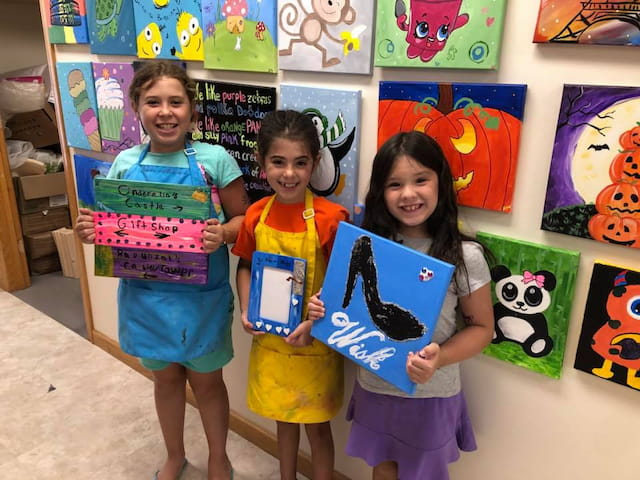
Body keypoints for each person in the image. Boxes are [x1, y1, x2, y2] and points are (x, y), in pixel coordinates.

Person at [75, 61, 247, 480]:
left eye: (176, 101)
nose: (165, 111)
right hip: (146, 299)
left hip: (201, 301)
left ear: (192, 110)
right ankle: (175, 455)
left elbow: (247, 221)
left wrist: (223, 233)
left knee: (207, 384)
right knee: (165, 382)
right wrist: (94, 231)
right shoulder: (124, 165)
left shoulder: (216, 160)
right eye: (153, 102)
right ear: (137, 107)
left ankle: (219, 458)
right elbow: (115, 230)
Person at [308, 131, 495, 480]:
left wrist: (440, 357)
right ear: (381, 191)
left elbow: (483, 329)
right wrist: (320, 310)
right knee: (382, 468)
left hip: (431, 395)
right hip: (376, 387)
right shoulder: (367, 244)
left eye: (421, 180)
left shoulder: (464, 256)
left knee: (424, 473)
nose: (409, 194)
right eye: (395, 184)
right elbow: (342, 305)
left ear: (440, 181)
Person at [232, 110, 349, 480]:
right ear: (262, 162)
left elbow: (344, 285)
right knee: (282, 420)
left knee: (316, 427)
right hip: (271, 343)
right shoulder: (255, 215)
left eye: (300, 163)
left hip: (316, 346)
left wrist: (316, 324)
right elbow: (246, 265)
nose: (289, 173)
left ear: (314, 163)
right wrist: (247, 307)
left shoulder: (333, 218)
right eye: (278, 162)